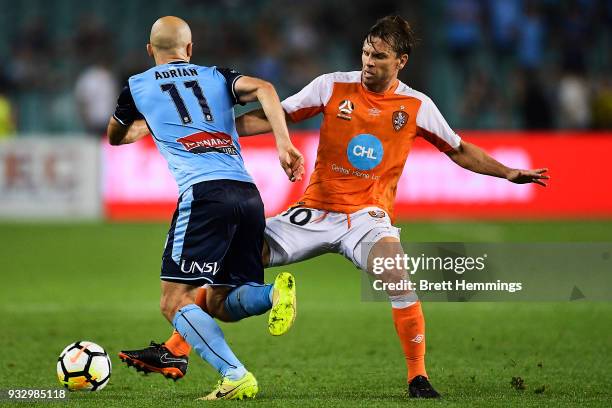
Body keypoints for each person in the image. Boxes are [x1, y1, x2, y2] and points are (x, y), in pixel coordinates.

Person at [120, 15, 549, 399]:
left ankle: (417, 376)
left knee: (395, 274)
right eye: (365, 52)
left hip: (366, 218)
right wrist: (206, 126)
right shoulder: (332, 86)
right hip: (312, 213)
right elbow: (276, 116)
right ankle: (177, 348)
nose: (368, 61)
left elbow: (458, 149)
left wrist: (507, 172)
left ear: (400, 61)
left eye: (378, 56)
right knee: (223, 273)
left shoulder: (417, 106)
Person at [107, 16, 304, 401]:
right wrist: (283, 143)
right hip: (248, 193)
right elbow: (264, 87)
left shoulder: (137, 86)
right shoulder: (216, 76)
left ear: (150, 51)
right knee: (219, 301)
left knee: (174, 301)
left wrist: (149, 125)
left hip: (204, 194)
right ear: (190, 49)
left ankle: (234, 374)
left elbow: (115, 135)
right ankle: (274, 295)